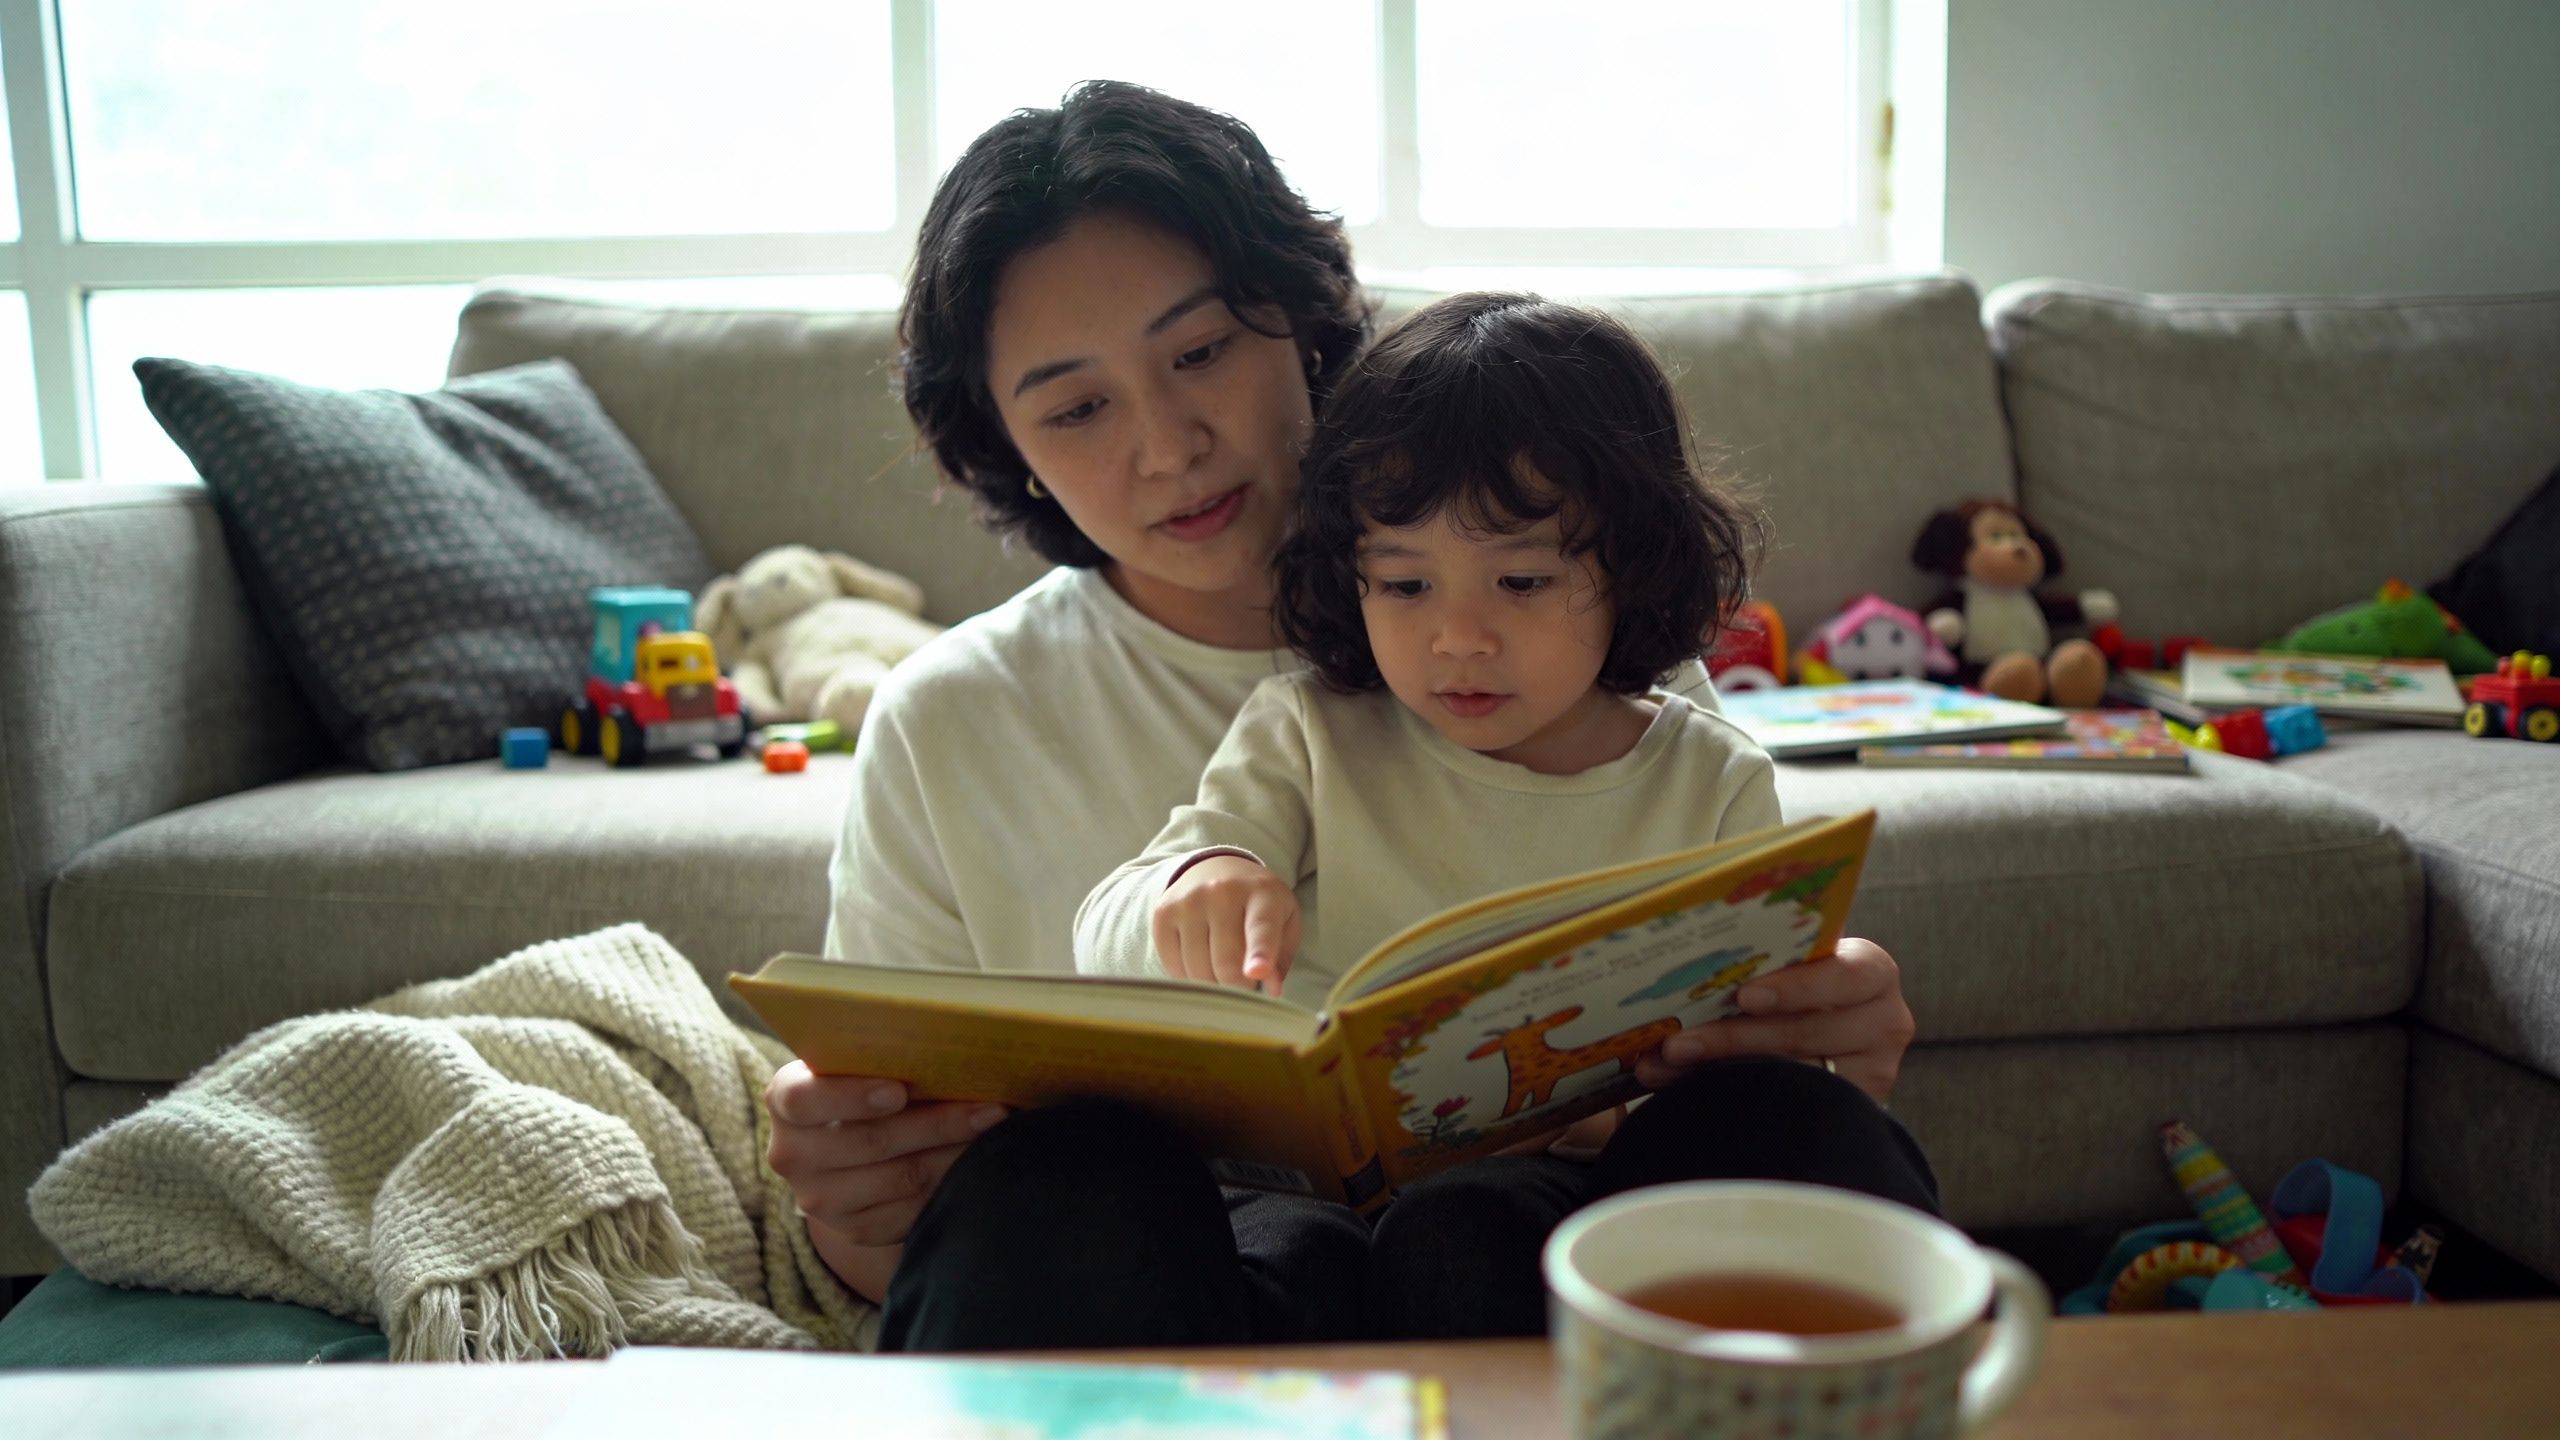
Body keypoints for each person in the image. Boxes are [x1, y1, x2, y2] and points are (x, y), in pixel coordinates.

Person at [762, 80, 1924, 1350]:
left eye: (1201, 352)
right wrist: (857, 1207)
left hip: (1530, 1269)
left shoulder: (1573, 641)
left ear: (1303, 330)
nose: (1168, 445)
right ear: (1007, 446)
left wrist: (1818, 1067)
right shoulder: (949, 722)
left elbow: (1717, 1051)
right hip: (1203, 1317)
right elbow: (926, 1250)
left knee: (1786, 1130)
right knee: (1060, 1180)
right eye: (1077, 407)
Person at [1074, 292, 1938, 1334]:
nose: (1459, 638)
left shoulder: (1707, 776)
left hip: (1563, 1187)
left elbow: (1744, 1066)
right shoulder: (1306, 729)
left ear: (1632, 567)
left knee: (1472, 1229)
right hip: (1305, 1194)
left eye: (1521, 580)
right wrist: (1201, 880)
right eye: (1404, 586)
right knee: (1261, 1258)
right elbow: (1129, 916)